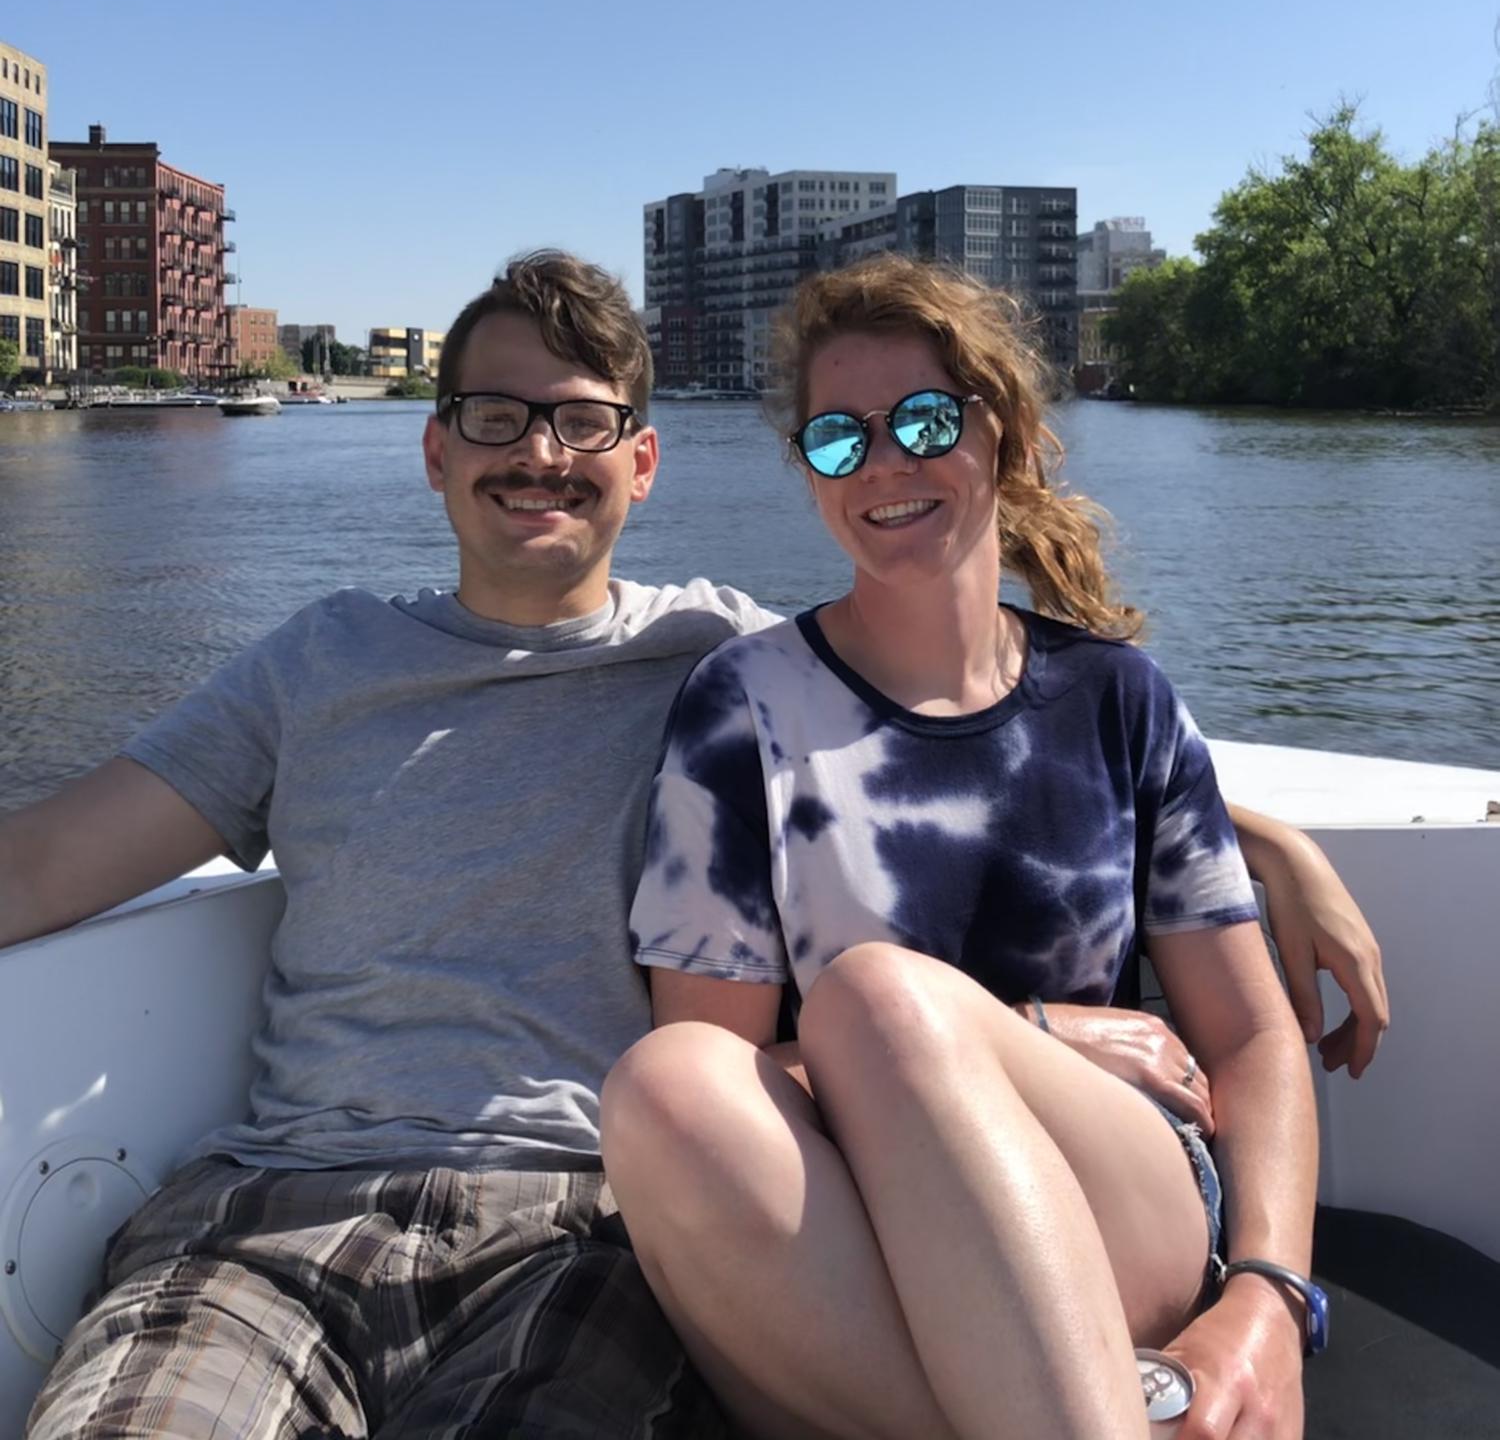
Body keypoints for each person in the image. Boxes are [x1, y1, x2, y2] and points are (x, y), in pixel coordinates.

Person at [0, 251, 1383, 1439]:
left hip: (574, 1230)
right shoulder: (332, 665)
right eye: (495, 415)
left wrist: (1262, 840)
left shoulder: (718, 656)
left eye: (581, 422)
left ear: (642, 463)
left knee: (826, 1029)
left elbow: (965, 689)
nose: (538, 453)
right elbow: (40, 865)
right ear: (436, 450)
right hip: (272, 1214)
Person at [608, 255, 1339, 1440]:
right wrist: (1022, 1031)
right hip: (863, 1233)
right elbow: (730, 1083)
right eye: (840, 439)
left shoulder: (1118, 700)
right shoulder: (742, 706)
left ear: (1000, 428)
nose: (885, 463)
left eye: (925, 419)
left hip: (1120, 1195)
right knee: (666, 1084)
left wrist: (1266, 1294)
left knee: (876, 998)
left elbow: (1253, 1036)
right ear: (811, 473)